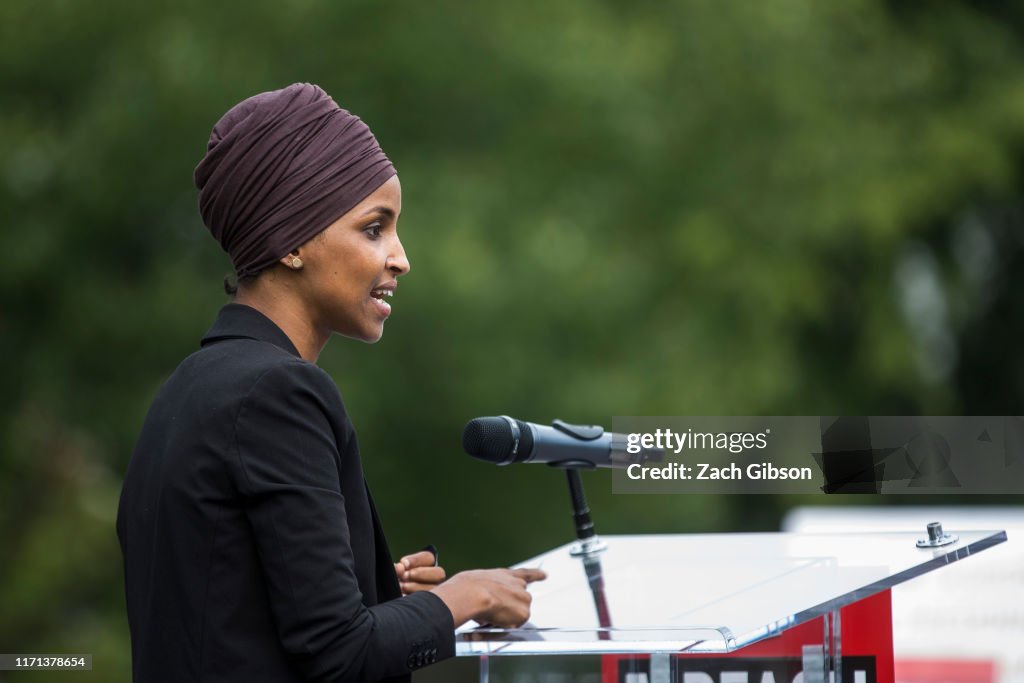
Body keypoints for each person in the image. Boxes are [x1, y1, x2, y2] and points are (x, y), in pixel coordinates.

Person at [116, 83, 545, 683]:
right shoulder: (278, 393)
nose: (400, 258)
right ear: (291, 243)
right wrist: (466, 598)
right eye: (375, 228)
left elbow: (225, 616)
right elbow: (339, 655)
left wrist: (377, 592)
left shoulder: (190, 388)